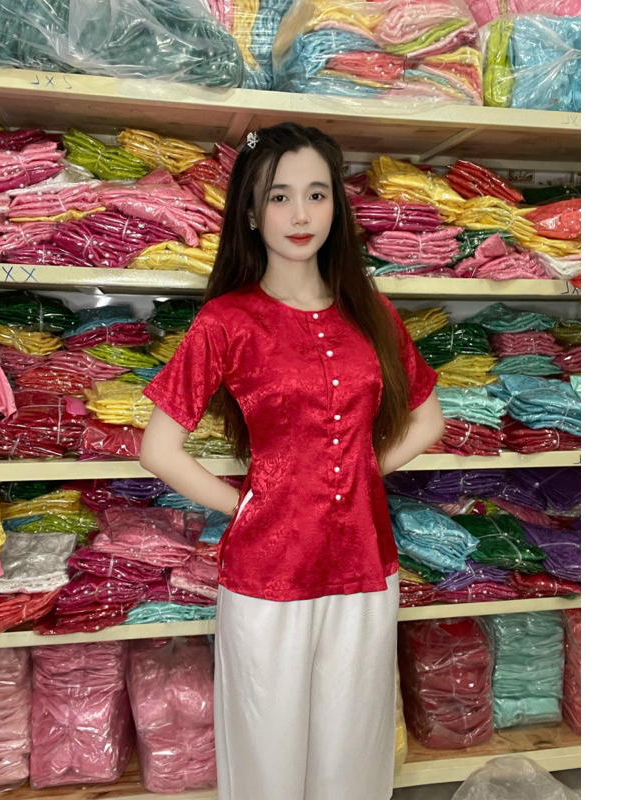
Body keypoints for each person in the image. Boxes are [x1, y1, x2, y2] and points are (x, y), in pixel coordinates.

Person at [139, 122, 445, 800]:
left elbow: (430, 420)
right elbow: (157, 448)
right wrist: (249, 504)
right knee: (267, 750)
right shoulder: (227, 321)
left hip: (365, 564)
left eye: (317, 194)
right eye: (279, 197)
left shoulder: (372, 312)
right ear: (251, 213)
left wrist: (359, 471)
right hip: (267, 573)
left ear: (337, 206)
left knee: (353, 746)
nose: (301, 214)